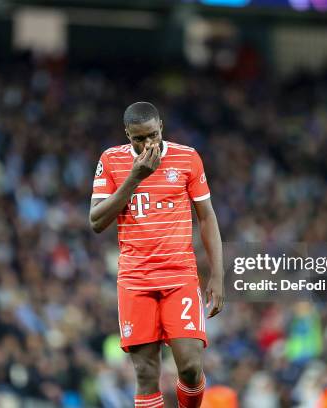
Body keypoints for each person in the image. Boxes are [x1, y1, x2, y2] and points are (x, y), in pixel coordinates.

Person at [89, 101, 225, 408]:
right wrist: (135, 177)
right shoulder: (110, 161)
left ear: (161, 126)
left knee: (190, 366)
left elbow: (206, 217)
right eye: (139, 138)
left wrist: (217, 274)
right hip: (135, 279)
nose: (147, 143)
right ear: (128, 135)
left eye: (152, 135)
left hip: (180, 275)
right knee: (146, 373)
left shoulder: (187, 158)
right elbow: (96, 221)